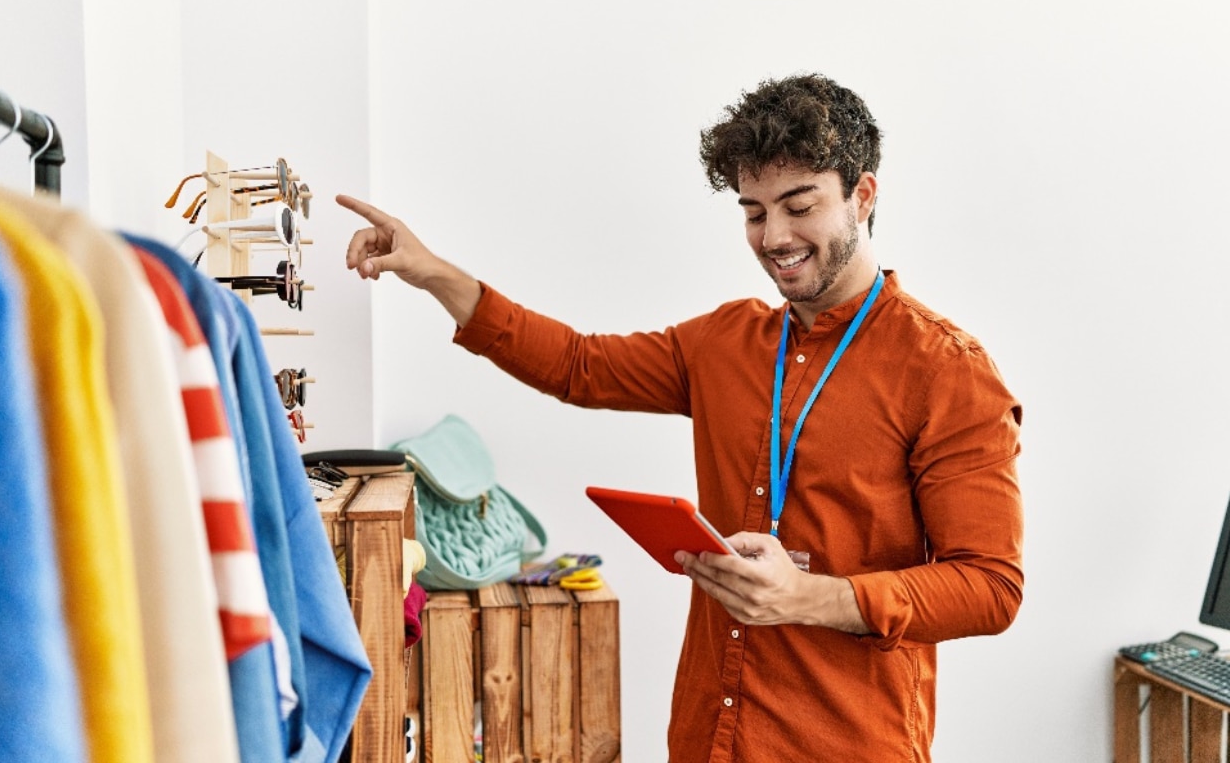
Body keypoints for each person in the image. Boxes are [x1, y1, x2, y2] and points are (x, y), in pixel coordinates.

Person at [338, 72, 1023, 763]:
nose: (774, 237)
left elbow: (991, 587)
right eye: (754, 213)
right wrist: (432, 274)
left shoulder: (948, 370)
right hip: (706, 737)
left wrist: (810, 597)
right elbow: (578, 365)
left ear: (862, 195)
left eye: (798, 205)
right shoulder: (726, 341)